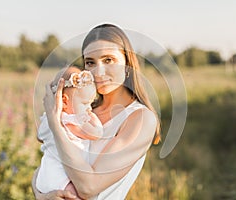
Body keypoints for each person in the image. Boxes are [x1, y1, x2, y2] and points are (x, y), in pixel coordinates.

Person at [32, 23, 161, 200]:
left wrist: (55, 124)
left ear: (127, 63)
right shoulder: (83, 112)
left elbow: (88, 187)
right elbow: (48, 163)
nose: (98, 72)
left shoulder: (140, 119)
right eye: (90, 63)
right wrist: (41, 195)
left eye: (108, 60)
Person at [36, 66, 103, 193]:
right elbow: (97, 133)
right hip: (62, 178)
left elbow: (39, 137)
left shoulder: (48, 118)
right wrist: (93, 118)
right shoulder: (73, 121)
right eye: (85, 103)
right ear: (65, 102)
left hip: (46, 175)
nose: (89, 108)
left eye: (90, 103)